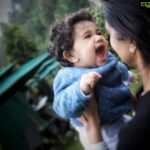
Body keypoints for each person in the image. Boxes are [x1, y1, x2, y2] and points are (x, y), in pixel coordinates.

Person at [48, 9, 134, 150]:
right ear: (71, 56)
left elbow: (118, 68)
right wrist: (81, 89)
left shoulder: (108, 61)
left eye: (98, 33)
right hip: (97, 130)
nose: (98, 37)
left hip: (117, 117)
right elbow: (60, 105)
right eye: (87, 36)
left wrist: (128, 76)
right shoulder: (68, 75)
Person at [79, 0, 150, 149]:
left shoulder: (134, 135)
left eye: (107, 33)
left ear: (132, 42)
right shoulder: (140, 98)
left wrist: (93, 129)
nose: (103, 39)